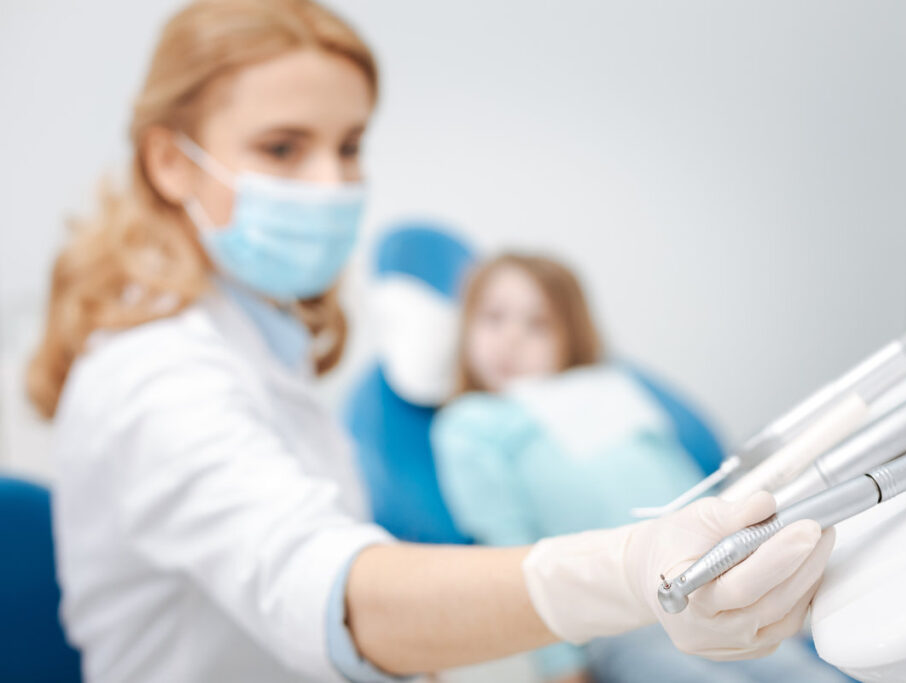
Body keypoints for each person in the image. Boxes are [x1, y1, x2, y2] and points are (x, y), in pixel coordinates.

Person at [26, 2, 835, 681]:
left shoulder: (260, 347)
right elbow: (339, 596)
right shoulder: (156, 377)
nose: (332, 185)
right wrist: (625, 570)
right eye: (282, 148)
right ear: (171, 162)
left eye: (349, 147)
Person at [432, 253, 848, 683]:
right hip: (620, 616)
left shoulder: (611, 389)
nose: (511, 338)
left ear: (570, 336)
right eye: (493, 317)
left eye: (537, 324)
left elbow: (687, 487)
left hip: (712, 589)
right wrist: (562, 669)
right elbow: (511, 550)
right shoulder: (470, 422)